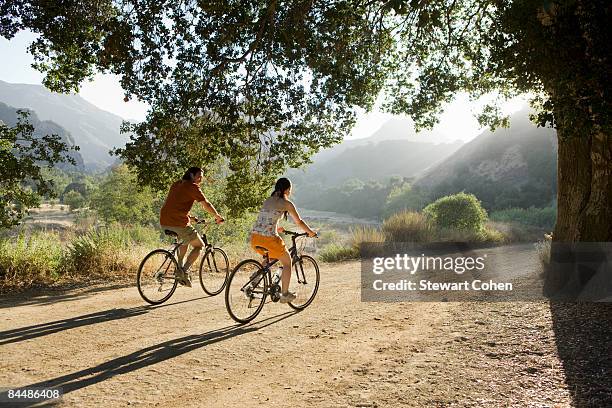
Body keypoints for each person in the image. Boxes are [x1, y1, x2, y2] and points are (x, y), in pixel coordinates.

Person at [250, 177, 316, 303]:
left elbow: (267, 218)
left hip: (255, 238)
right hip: (268, 239)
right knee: (287, 262)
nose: (290, 192)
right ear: (287, 189)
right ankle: (285, 294)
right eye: (290, 189)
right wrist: (310, 232)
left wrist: (277, 226)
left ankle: (255, 278)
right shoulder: (286, 204)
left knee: (273, 257)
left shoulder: (268, 200)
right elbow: (299, 221)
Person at [160, 167, 224, 287]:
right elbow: (206, 204)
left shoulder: (176, 184)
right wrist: (217, 216)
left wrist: (190, 217)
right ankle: (183, 271)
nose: (200, 180)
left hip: (164, 221)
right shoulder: (192, 187)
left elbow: (174, 204)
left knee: (184, 240)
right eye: (198, 176)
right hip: (178, 222)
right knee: (200, 245)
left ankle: (179, 269)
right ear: (191, 175)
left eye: (202, 178)